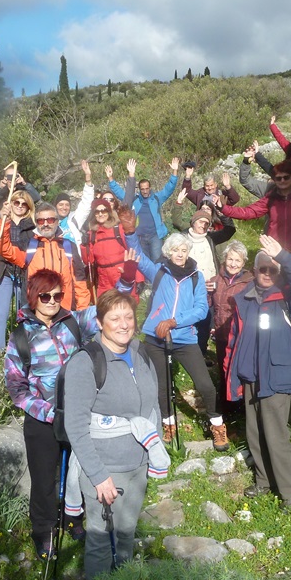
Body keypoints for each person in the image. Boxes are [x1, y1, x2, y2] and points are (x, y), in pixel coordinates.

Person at [63, 289, 163, 580]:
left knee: (126, 532)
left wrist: (153, 451)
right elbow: (76, 426)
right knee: (99, 538)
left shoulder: (141, 351)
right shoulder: (86, 361)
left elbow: (153, 407)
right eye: (114, 318)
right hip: (106, 468)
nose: (123, 324)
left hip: (138, 463)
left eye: (129, 317)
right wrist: (98, 476)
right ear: (99, 322)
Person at [4, 269, 98, 558]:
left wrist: (128, 278)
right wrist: (47, 413)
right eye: (46, 295)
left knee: (77, 473)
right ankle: (43, 532)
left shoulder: (73, 322)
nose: (53, 301)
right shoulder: (20, 337)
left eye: (58, 295)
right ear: (33, 296)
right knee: (45, 480)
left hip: (78, 412)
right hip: (42, 419)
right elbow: (16, 387)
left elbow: (106, 312)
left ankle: (72, 519)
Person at [119, 208, 228, 452]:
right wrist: (129, 232)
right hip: (155, 338)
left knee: (205, 385)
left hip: (184, 337)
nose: (180, 254)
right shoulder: (158, 271)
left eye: (183, 250)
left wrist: (174, 321)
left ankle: (218, 426)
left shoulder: (196, 277)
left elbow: (201, 310)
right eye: (175, 250)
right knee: (162, 387)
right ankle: (168, 425)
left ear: (188, 252)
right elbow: (136, 252)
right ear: (168, 253)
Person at [223, 236, 291, 507]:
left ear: (279, 272)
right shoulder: (244, 299)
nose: (266, 273)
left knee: (276, 435)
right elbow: (234, 339)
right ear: (254, 270)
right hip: (250, 375)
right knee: (255, 433)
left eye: (272, 269)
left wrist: (283, 255)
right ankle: (264, 481)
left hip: (275, 376)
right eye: (262, 268)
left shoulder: (289, 301)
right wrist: (232, 374)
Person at [217, 159, 291, 272]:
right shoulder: (270, 198)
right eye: (278, 178)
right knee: (275, 286)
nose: (282, 180)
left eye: (286, 177)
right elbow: (248, 212)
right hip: (275, 251)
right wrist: (223, 208)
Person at [172, 190, 236, 356]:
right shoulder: (183, 238)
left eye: (207, 223)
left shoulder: (210, 238)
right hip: (189, 287)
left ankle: (200, 354)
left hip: (209, 286)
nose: (204, 225)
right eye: (200, 222)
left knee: (206, 322)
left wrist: (222, 211)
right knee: (188, 321)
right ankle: (185, 352)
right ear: (193, 222)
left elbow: (230, 230)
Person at [0, 202, 92, 311]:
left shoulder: (68, 246)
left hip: (65, 312)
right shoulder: (29, 246)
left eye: (50, 220)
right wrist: (4, 222)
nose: (46, 224)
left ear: (57, 222)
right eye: (41, 221)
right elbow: (4, 249)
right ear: (36, 224)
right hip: (36, 312)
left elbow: (80, 282)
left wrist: (82, 312)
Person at [0, 190, 35, 357]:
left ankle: (21, 349)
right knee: (1, 313)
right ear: (11, 203)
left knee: (23, 312)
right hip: (4, 272)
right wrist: (3, 219)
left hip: (24, 273)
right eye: (17, 202)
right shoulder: (1, 221)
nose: (20, 206)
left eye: (24, 204)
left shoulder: (32, 226)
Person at [110, 157, 180, 263]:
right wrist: (111, 178)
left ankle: (158, 280)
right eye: (142, 189)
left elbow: (169, 188)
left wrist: (174, 172)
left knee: (158, 262)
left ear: (150, 188)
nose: (145, 191)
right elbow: (119, 193)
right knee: (144, 264)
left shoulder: (157, 198)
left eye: (147, 188)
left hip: (155, 236)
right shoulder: (134, 200)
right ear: (139, 190)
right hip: (140, 237)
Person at [210, 240, 253, 415]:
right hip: (222, 334)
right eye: (230, 259)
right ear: (224, 259)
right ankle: (226, 410)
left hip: (240, 336)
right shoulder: (215, 280)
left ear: (243, 263)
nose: (233, 264)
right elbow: (208, 306)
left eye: (238, 260)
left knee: (239, 372)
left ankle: (242, 409)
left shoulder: (249, 283)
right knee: (223, 371)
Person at [85, 198, 143, 301]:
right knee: (105, 311)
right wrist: (84, 245)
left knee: (125, 307)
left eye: (104, 211)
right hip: (103, 280)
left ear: (109, 212)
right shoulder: (92, 234)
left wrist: (139, 278)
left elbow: (134, 252)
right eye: (97, 211)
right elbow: (89, 261)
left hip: (121, 275)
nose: (100, 214)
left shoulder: (118, 229)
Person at [54, 159, 95, 245]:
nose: (64, 208)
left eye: (67, 205)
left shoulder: (74, 219)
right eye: (61, 204)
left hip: (74, 257)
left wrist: (88, 178)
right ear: (55, 206)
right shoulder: (49, 221)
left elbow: (87, 203)